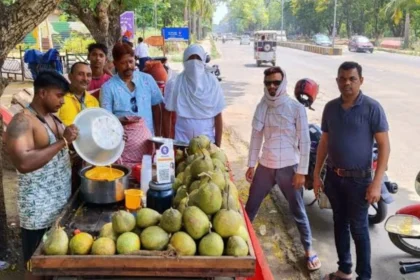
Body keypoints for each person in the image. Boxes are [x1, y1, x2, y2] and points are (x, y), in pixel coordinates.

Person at [313, 62, 390, 280]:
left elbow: (384, 146)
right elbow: (324, 142)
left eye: (352, 78)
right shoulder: (330, 108)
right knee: (340, 224)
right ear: (337, 81)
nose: (347, 82)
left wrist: (377, 183)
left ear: (361, 81)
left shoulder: (372, 108)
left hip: (359, 182)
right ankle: (344, 269)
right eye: (342, 78)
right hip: (334, 179)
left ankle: (363, 276)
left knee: (359, 229)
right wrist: (317, 175)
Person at [245, 66, 321, 271]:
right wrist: (251, 164)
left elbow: (305, 142)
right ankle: (242, 244)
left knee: (298, 210)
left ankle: (308, 249)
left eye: (276, 82)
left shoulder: (296, 108)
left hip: (289, 166)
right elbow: (256, 136)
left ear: (283, 82)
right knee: (250, 208)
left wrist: (301, 172)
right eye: (268, 82)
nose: (272, 86)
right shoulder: (262, 106)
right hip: (266, 165)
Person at [5, 71, 79, 279]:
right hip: (37, 211)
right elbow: (24, 163)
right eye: (59, 95)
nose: (62, 101)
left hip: (59, 206)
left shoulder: (53, 119)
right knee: (36, 266)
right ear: (42, 93)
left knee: (54, 262)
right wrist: (62, 141)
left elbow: (68, 149)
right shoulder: (23, 121)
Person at [101, 42, 163, 168]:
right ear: (115, 64)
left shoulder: (147, 80)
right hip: (122, 148)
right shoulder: (108, 87)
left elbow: (157, 108)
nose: (128, 66)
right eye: (123, 63)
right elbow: (106, 119)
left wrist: (157, 135)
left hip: (148, 142)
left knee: (146, 177)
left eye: (131, 61)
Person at [163, 44, 225, 146]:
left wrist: (218, 144)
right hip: (181, 143)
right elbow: (166, 114)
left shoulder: (212, 82)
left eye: (198, 58)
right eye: (190, 59)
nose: (194, 63)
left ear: (203, 61)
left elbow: (218, 114)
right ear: (184, 61)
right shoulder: (176, 82)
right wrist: (169, 142)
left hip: (208, 145)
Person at [58, 62, 99, 126]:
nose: (85, 79)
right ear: (70, 77)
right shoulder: (59, 98)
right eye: (80, 74)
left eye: (88, 75)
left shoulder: (94, 101)